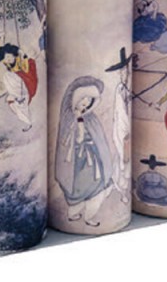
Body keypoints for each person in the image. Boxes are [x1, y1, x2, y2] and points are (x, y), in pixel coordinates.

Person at [55, 76, 114, 227]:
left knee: (98, 186)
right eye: (83, 99)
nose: (86, 103)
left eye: (89, 100)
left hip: (93, 158)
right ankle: (73, 213)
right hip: (78, 160)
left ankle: (89, 216)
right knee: (79, 188)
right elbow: (71, 140)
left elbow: (99, 138)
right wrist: (79, 126)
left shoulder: (90, 117)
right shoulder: (70, 118)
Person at [0, 34, 38, 132]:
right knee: (12, 102)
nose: (8, 59)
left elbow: (26, 69)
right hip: (16, 82)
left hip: (25, 82)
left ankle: (20, 100)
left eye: (10, 57)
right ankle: (26, 120)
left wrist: (24, 57)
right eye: (6, 58)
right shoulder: (7, 62)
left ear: (14, 55)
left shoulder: (19, 61)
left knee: (8, 76)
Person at [105, 47, 133, 203]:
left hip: (125, 127)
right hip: (121, 128)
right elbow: (120, 112)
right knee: (123, 157)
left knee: (125, 158)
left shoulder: (126, 88)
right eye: (122, 73)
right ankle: (120, 187)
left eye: (126, 72)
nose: (125, 75)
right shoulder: (119, 89)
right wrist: (126, 129)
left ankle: (122, 188)